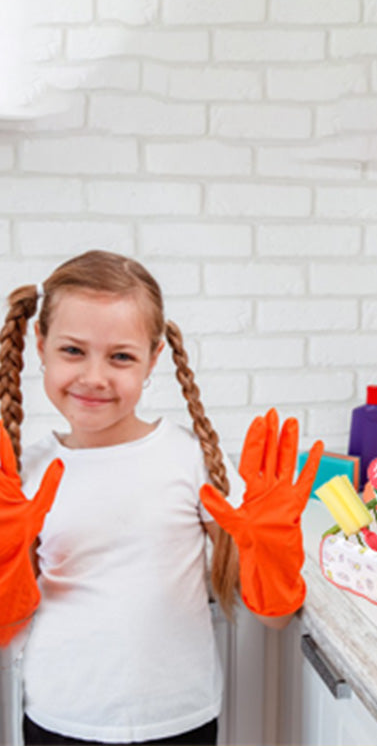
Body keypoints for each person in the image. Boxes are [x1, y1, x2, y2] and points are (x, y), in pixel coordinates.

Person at [0, 250, 323, 746]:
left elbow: (274, 618)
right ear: (40, 345)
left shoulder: (186, 459)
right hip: (60, 718)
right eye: (72, 351)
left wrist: (274, 550)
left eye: (121, 356)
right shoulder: (23, 474)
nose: (94, 377)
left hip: (181, 721)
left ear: (153, 358)